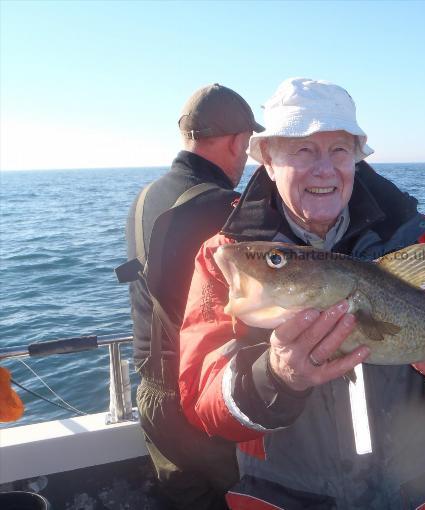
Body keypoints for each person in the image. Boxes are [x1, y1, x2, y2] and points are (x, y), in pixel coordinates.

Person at [178, 78, 425, 509]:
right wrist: (274, 377)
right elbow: (201, 400)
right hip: (290, 496)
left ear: (356, 159)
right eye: (302, 150)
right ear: (268, 162)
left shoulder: (420, 237)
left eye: (339, 150)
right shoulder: (228, 257)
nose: (323, 169)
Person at [118, 83, 263, 510]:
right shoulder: (229, 208)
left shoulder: (144, 199)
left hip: (153, 397)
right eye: (249, 144)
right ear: (238, 142)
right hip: (204, 398)